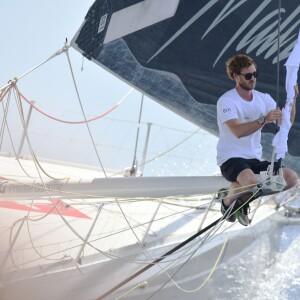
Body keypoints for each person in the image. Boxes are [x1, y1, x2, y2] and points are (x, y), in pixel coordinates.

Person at [216, 54, 299, 226]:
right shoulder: (226, 101)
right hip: (231, 158)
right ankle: (226, 202)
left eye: (255, 74)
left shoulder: (264, 98)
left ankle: (241, 201)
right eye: (248, 76)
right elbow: (237, 131)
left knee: (291, 178)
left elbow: (286, 123)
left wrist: (293, 99)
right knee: (249, 180)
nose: (253, 78)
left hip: (254, 159)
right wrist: (263, 119)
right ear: (235, 76)